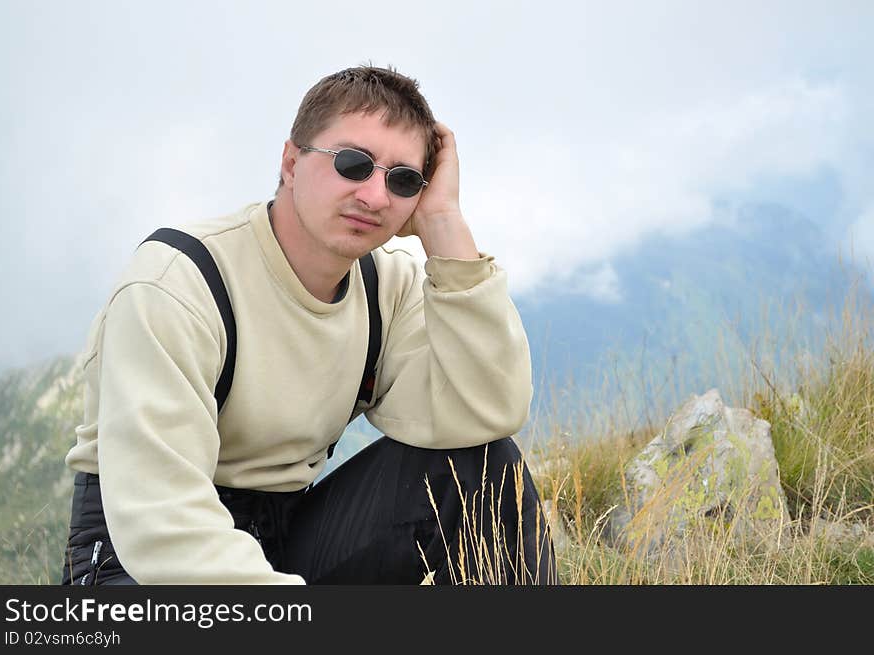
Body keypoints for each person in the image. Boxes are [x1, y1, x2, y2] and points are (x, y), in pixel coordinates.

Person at [61, 65, 558, 585]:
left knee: (482, 466)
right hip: (140, 559)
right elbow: (161, 523)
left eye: (403, 179)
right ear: (291, 163)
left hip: (292, 533)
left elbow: (490, 412)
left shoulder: (388, 286)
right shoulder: (176, 284)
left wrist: (443, 225)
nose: (376, 196)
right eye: (353, 164)